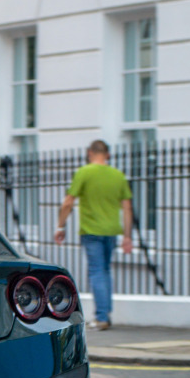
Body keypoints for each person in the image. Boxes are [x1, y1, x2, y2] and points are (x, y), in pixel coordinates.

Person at [54, 140, 133, 331]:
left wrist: (60, 226)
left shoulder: (84, 172)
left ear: (90, 153)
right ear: (108, 155)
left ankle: (101, 317)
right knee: (104, 271)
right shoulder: (118, 175)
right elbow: (127, 207)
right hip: (112, 231)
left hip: (92, 231)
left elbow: (68, 202)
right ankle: (105, 314)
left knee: (97, 272)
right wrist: (127, 236)